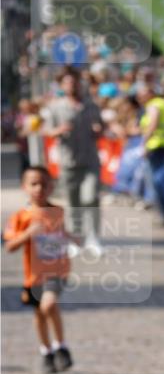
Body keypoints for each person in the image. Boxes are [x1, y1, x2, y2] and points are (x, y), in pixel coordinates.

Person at [4, 166, 77, 373]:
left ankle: (60, 345)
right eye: (34, 184)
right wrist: (28, 234)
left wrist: (73, 239)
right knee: (41, 313)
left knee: (49, 304)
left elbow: (63, 235)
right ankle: (48, 351)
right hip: (34, 275)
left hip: (56, 271)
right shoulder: (21, 216)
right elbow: (10, 246)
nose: (39, 188)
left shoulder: (58, 212)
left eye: (44, 184)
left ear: (51, 187)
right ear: (24, 187)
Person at [42, 69, 103, 248]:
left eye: (75, 82)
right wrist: (59, 130)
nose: (72, 85)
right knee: (73, 202)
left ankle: (93, 237)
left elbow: (101, 127)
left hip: (90, 160)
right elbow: (47, 130)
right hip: (68, 162)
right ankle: (76, 239)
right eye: (67, 82)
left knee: (91, 198)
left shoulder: (91, 105)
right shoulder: (55, 107)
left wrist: (98, 130)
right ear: (62, 85)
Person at [136, 79, 164, 225]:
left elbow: (153, 123)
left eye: (142, 94)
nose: (140, 98)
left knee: (155, 182)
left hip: (156, 148)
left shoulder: (154, 105)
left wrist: (144, 144)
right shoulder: (163, 103)